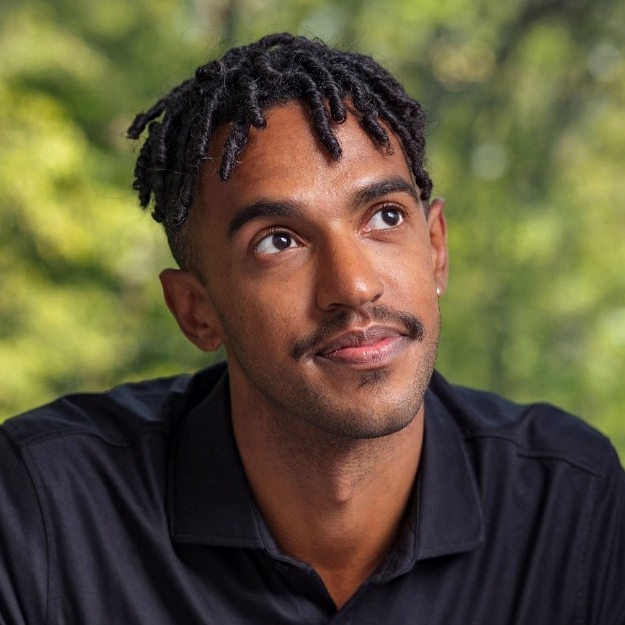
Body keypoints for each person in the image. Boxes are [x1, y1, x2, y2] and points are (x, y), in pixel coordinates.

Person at [1, 33, 623, 625]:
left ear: (436, 250)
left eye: (385, 217)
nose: (354, 286)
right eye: (278, 241)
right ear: (196, 311)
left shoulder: (569, 503)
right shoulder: (43, 508)